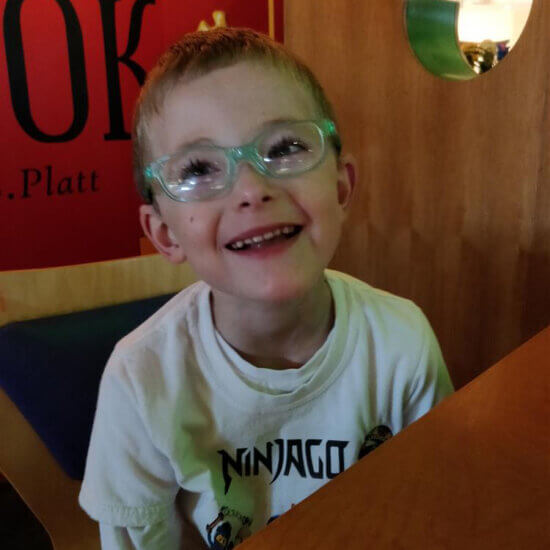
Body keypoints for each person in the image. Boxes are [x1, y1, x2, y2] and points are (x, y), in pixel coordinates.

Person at [79, 27, 454, 549]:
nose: (253, 189)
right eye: (198, 168)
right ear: (165, 234)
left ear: (341, 187)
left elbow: (431, 506)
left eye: (285, 147)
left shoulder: (401, 341)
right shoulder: (140, 379)